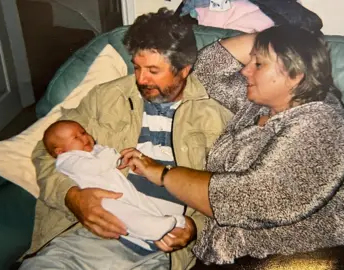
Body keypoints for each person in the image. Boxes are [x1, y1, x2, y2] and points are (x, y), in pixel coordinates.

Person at [119, 25, 344, 269]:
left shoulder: (323, 120)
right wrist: (274, 36)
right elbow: (209, 67)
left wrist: (162, 174)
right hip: (250, 255)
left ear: (296, 75)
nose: (245, 71)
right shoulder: (254, 106)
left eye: (258, 64)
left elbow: (250, 200)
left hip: (331, 254)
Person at [20, 8, 233, 270]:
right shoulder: (107, 97)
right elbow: (46, 151)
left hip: (158, 250)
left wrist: (194, 228)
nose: (141, 79)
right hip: (85, 239)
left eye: (153, 70)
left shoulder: (215, 117)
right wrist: (72, 197)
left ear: (184, 69)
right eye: (137, 67)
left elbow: (230, 194)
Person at [42, 120, 186, 247]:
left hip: (121, 187)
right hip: (102, 199)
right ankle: (151, 229)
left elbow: (110, 157)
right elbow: (94, 166)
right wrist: (112, 157)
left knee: (140, 202)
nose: (84, 137)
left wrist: (119, 160)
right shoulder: (66, 160)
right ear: (60, 151)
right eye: (76, 137)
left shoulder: (94, 149)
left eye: (83, 132)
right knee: (126, 214)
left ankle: (165, 221)